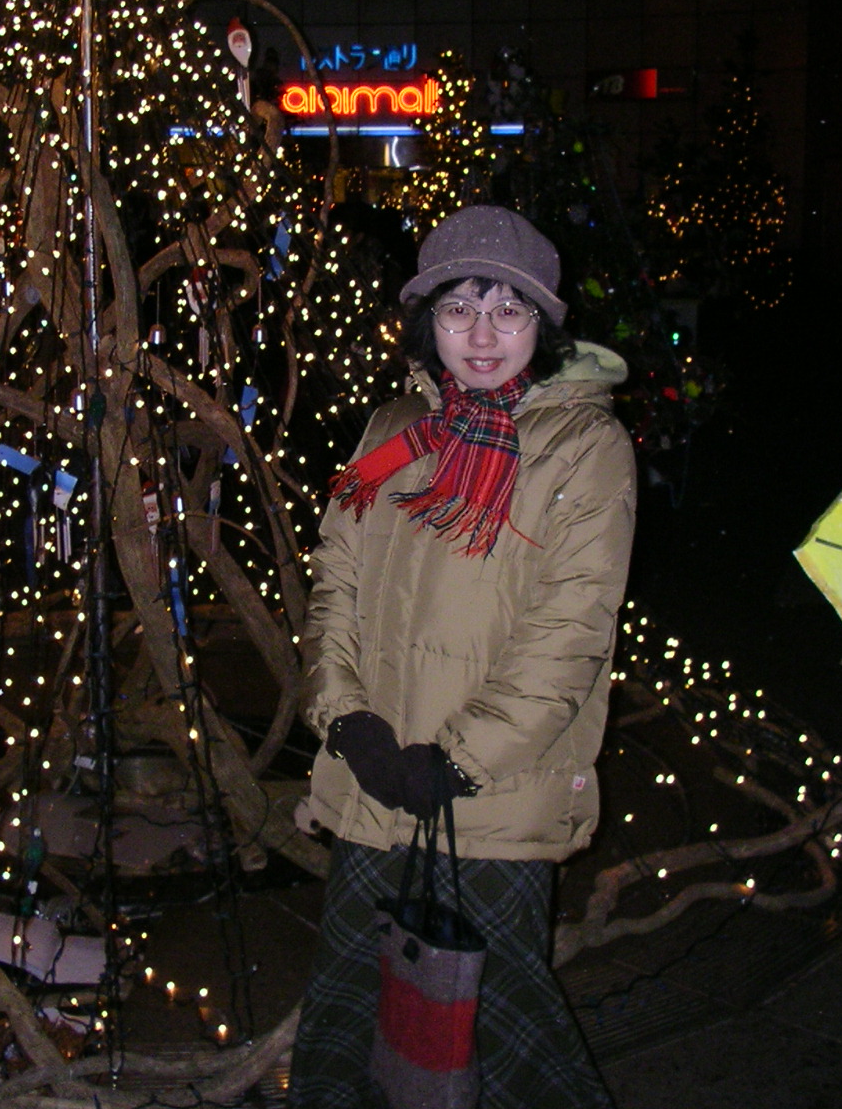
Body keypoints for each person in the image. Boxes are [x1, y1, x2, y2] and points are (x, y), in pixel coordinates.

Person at [289, 205, 634, 1108]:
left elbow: (571, 630)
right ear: (426, 321)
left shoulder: (585, 446)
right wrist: (346, 722)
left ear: (543, 323)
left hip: (494, 794)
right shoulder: (392, 430)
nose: (482, 336)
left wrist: (459, 758)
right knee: (349, 1024)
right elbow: (334, 580)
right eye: (458, 309)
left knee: (507, 1035)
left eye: (507, 311)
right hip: (373, 786)